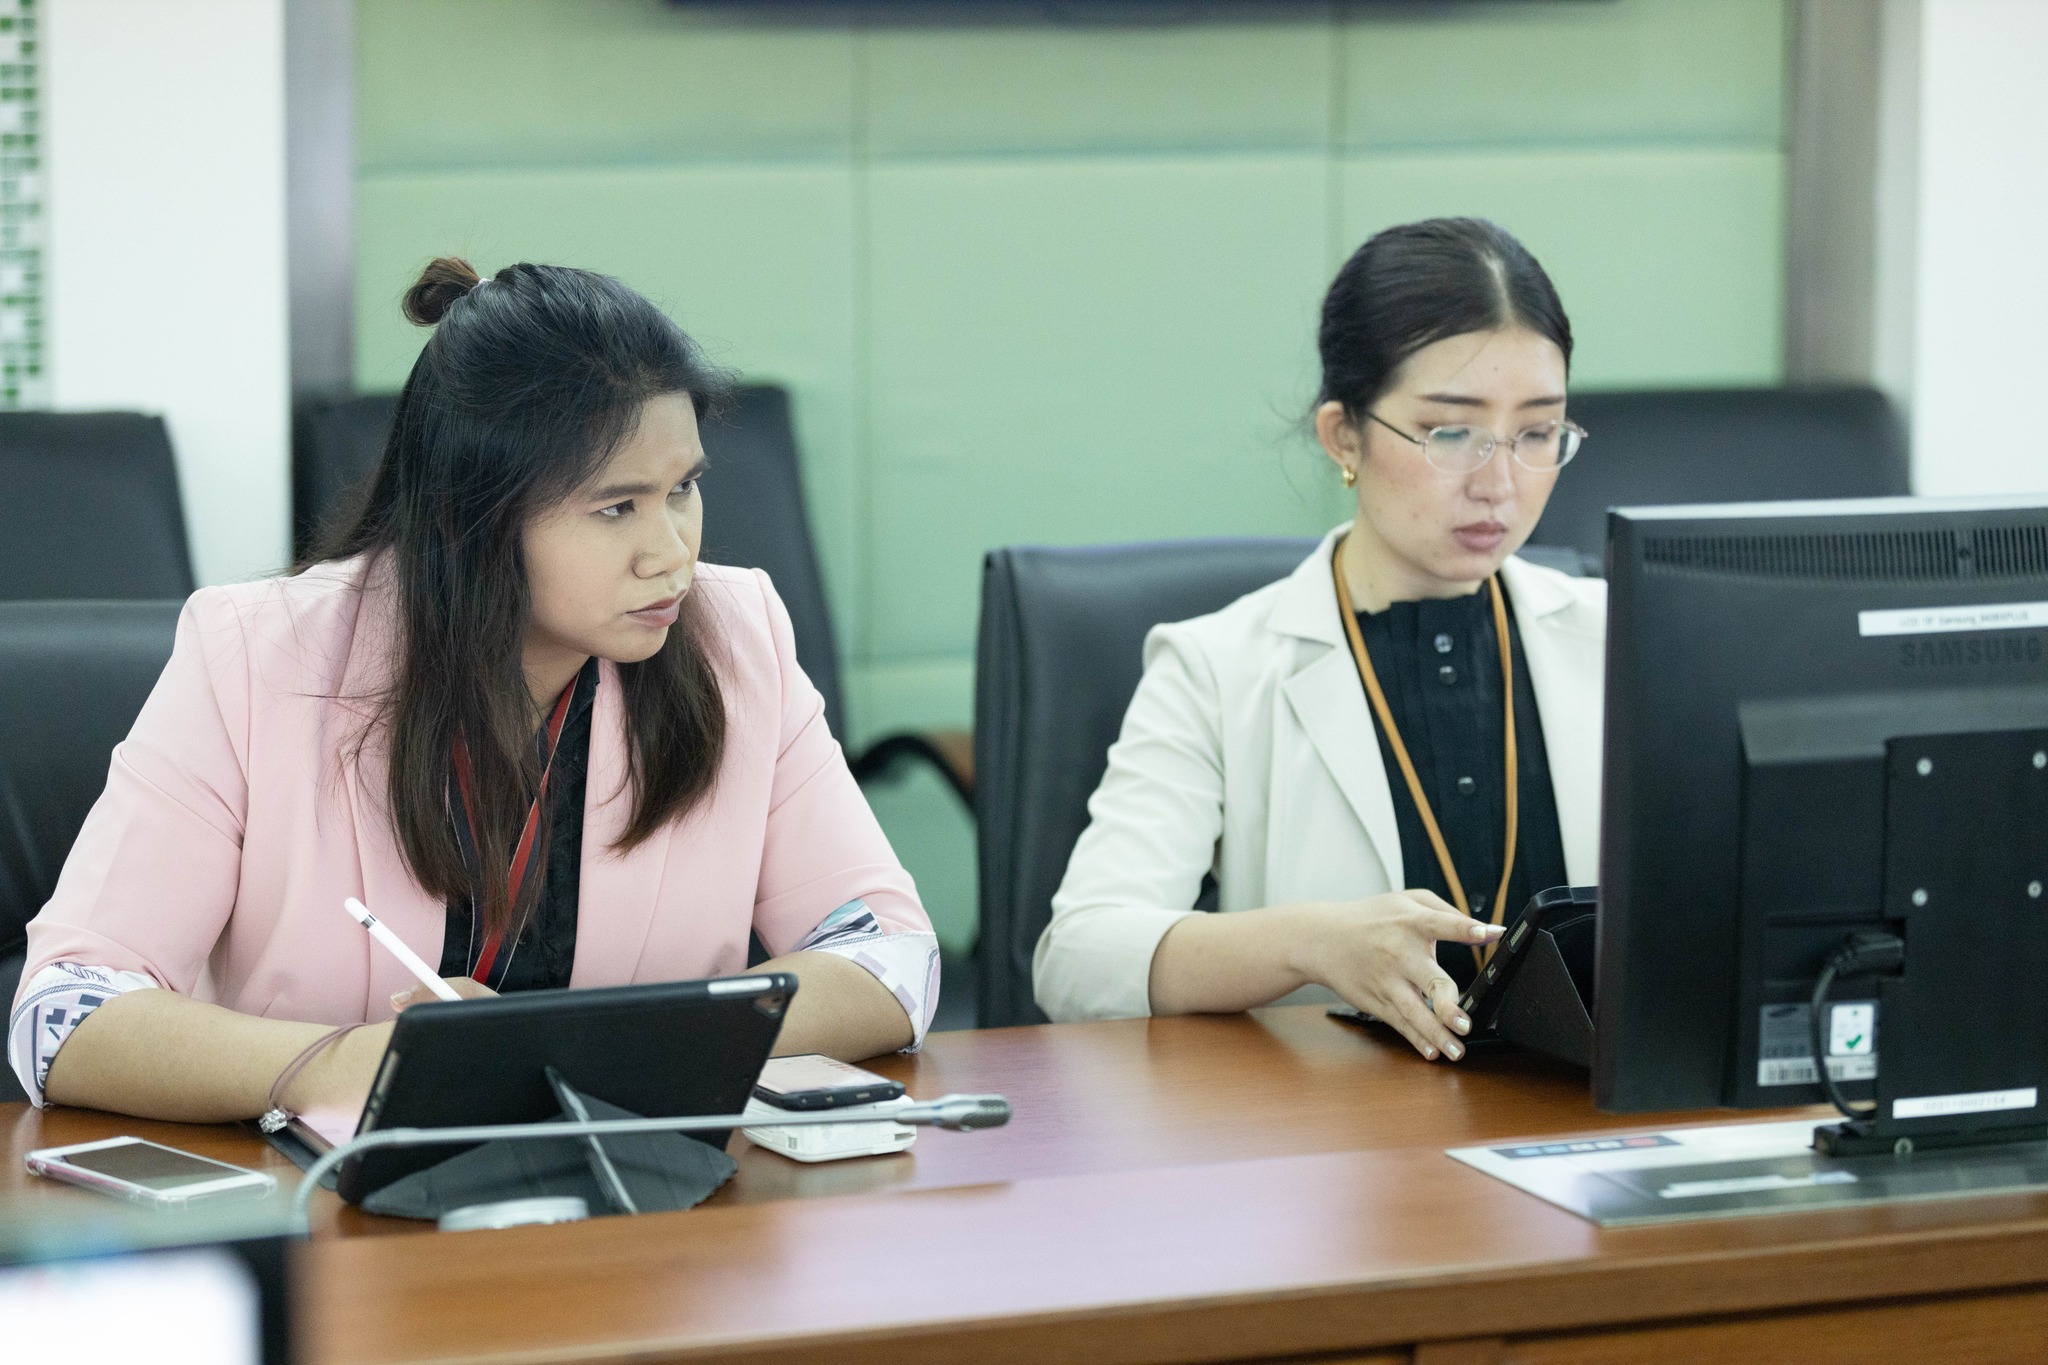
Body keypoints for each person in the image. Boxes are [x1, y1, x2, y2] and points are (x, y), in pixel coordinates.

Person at [9, 258, 938, 1124]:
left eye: (683, 489)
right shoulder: (253, 659)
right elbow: (63, 1013)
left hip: (647, 1206)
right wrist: (347, 1062)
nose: (671, 554)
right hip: (330, 1206)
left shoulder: (738, 639)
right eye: (616, 507)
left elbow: (891, 953)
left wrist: (614, 1044)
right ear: (474, 514)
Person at [1034, 218, 1602, 1064]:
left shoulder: (1617, 639)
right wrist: (1311, 943)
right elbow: (1079, 959)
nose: (1500, 482)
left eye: (1536, 433)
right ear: (1344, 435)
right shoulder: (1216, 667)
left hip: (1593, 1123)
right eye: (1452, 433)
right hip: (1339, 1129)